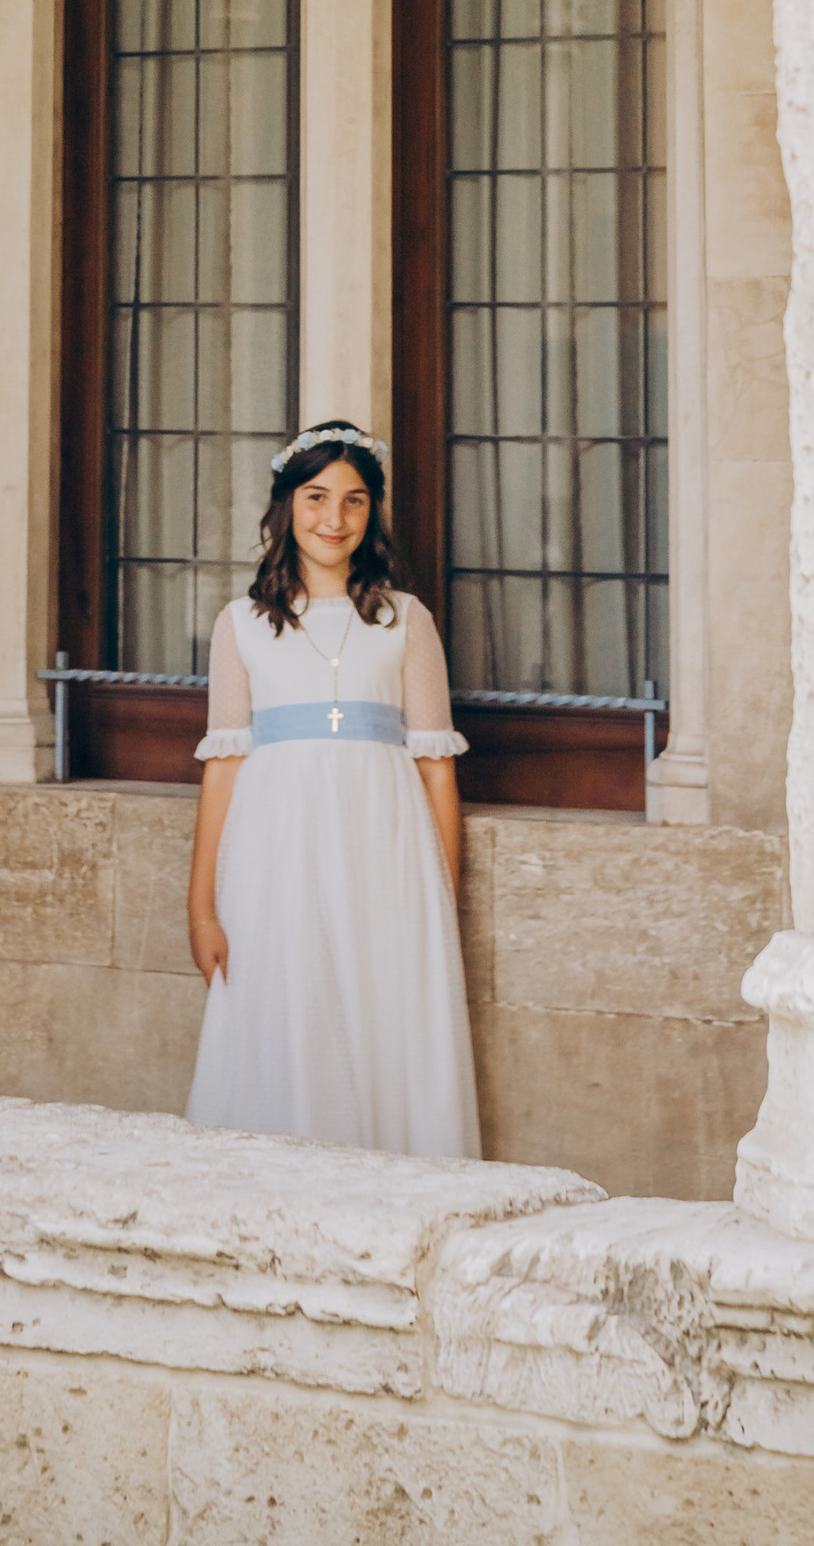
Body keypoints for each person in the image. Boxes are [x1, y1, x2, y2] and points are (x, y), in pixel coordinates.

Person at [183, 420, 480, 1157]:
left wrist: (439, 891)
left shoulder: (405, 621)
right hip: (274, 854)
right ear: (287, 506)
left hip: (385, 855)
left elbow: (435, 766)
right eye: (316, 498)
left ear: (371, 512)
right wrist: (201, 907)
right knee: (286, 1010)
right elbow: (223, 768)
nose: (333, 518)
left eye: (353, 501)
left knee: (383, 1017)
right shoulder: (242, 626)